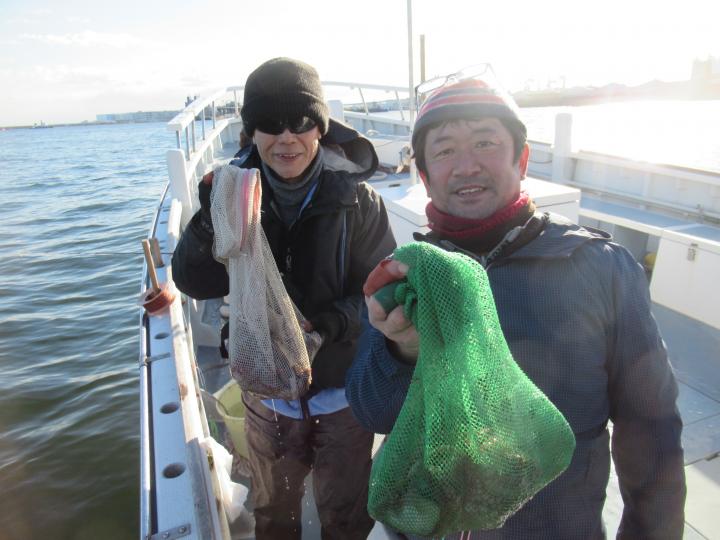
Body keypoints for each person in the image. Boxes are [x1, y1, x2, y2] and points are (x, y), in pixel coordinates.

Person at [345, 72, 686, 539]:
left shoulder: (602, 268)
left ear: (521, 158)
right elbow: (373, 412)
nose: (466, 166)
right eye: (444, 151)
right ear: (423, 175)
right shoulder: (407, 276)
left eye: (485, 142)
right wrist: (403, 349)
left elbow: (652, 429)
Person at [172, 57, 396, 539]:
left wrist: (325, 326)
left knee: (345, 512)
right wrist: (209, 220)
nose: (287, 138)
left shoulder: (359, 203)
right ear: (252, 133)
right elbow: (194, 282)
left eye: (300, 122)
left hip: (341, 392)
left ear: (320, 128)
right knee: (274, 510)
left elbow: (382, 295)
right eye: (271, 125)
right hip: (266, 398)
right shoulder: (231, 193)